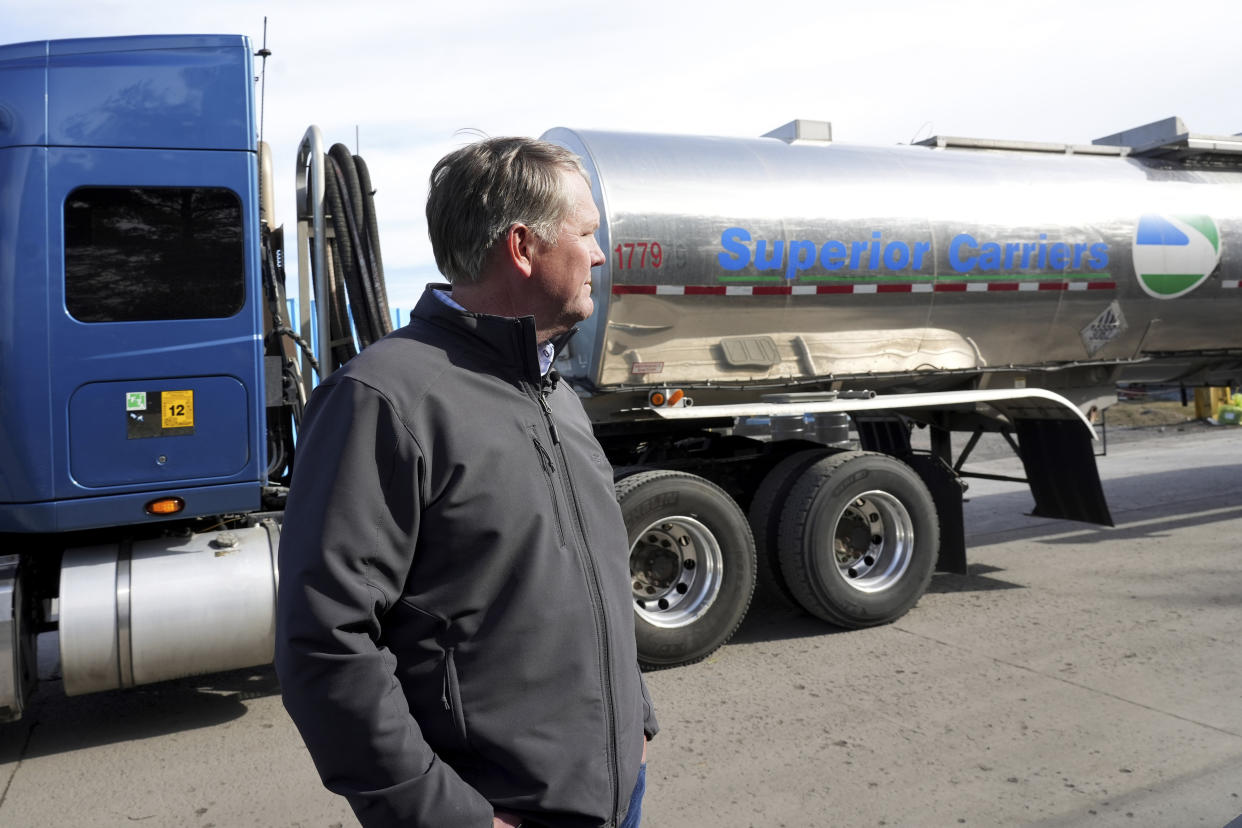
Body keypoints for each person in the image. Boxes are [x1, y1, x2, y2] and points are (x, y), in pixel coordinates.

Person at [275, 136, 658, 828]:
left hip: (615, 795)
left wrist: (637, 722)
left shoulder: (552, 388)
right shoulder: (383, 400)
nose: (599, 255)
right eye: (586, 235)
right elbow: (326, 644)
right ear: (523, 247)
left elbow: (591, 576)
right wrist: (448, 818)